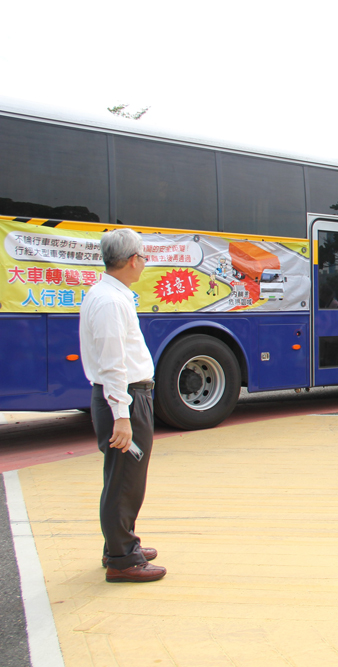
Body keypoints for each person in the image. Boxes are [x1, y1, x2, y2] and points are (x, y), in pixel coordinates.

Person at [79, 228, 164, 583]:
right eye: (143, 257)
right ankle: (122, 560)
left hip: (126, 395)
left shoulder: (108, 294)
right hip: (125, 396)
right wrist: (122, 416)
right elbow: (114, 365)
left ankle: (121, 543)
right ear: (132, 260)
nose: (144, 263)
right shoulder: (112, 301)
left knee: (123, 478)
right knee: (125, 481)